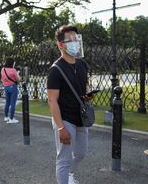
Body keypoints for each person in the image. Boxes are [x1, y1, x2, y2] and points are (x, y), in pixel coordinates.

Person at [47, 25, 92, 184]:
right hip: (65, 119)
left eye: (76, 39)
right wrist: (60, 127)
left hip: (81, 116)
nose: (75, 42)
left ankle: (69, 174)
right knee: (64, 159)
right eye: (70, 40)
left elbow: (84, 86)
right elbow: (52, 100)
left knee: (81, 153)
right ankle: (65, 177)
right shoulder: (55, 70)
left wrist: (87, 94)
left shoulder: (82, 65)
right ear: (60, 44)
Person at [1, 58, 21, 124]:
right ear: (12, 63)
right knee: (13, 103)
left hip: (6, 87)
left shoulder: (3, 69)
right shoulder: (13, 70)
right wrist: (17, 73)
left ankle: (6, 117)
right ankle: (11, 118)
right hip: (13, 87)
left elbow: (3, 78)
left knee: (7, 102)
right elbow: (18, 80)